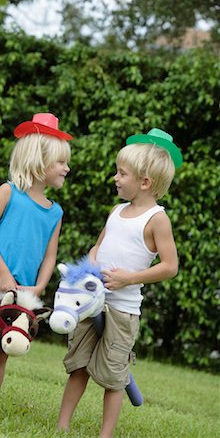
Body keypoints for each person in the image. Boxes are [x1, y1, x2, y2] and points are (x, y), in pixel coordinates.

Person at [57, 128, 183, 438]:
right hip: (92, 304)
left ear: (144, 182)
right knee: (79, 366)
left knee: (115, 376)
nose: (115, 177)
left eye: (121, 173)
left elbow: (170, 266)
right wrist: (90, 269)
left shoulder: (156, 218)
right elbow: (97, 248)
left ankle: (106, 434)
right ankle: (61, 426)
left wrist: (130, 278)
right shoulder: (117, 212)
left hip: (123, 312)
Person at [0, 112, 73, 418]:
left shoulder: (54, 212)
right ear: (39, 160)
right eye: (61, 162)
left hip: (20, 295)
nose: (66, 168)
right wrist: (3, 273)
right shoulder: (8, 193)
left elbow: (49, 257)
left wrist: (39, 287)